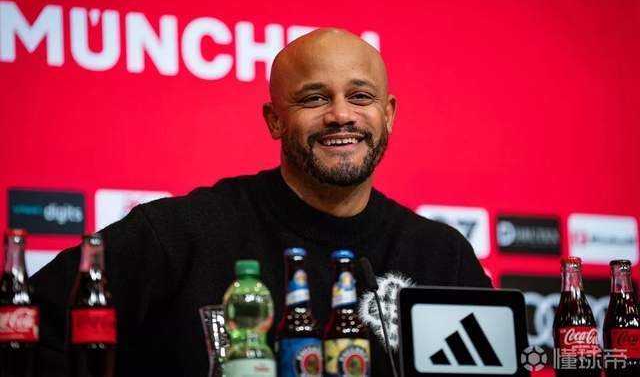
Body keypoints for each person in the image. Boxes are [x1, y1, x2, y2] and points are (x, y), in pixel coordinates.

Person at [31, 28, 491, 376]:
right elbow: (26, 330)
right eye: (315, 98)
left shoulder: (443, 257)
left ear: (387, 115)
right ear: (275, 120)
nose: (340, 115)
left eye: (360, 96)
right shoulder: (180, 234)